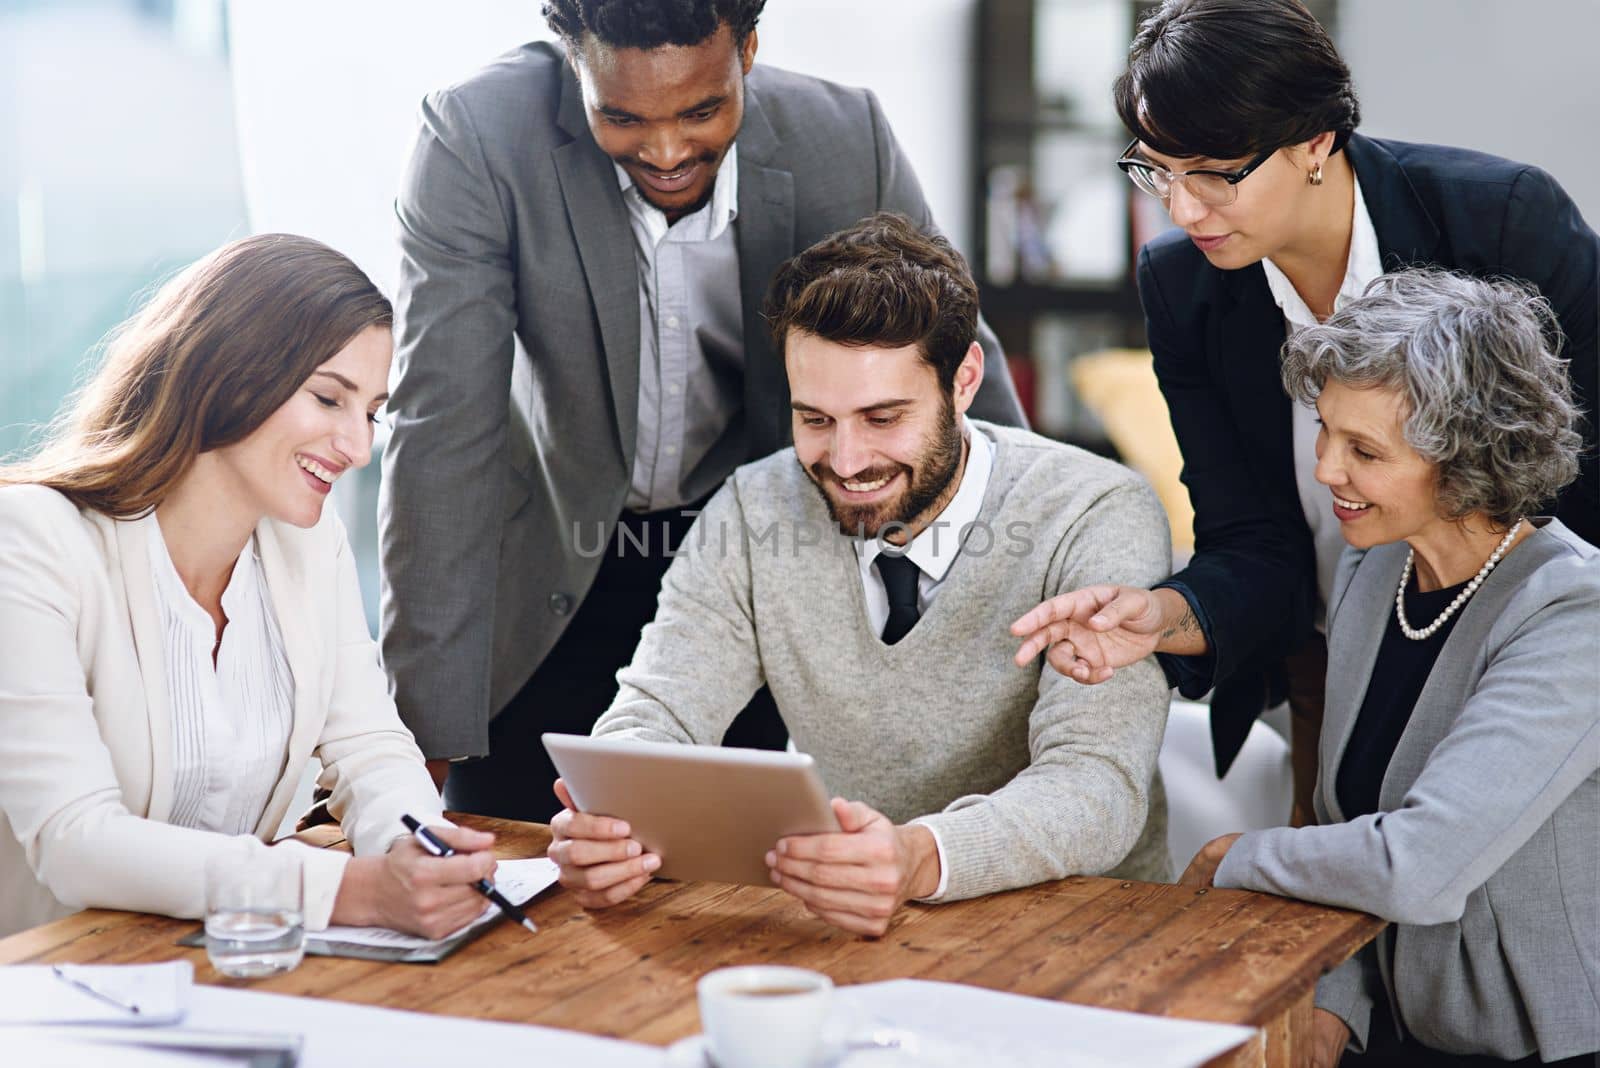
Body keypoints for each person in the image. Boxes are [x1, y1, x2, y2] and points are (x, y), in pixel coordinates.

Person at [380, 0, 1025, 822]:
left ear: (747, 50)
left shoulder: (844, 138)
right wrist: (418, 731)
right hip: (545, 563)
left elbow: (954, 360)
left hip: (747, 564)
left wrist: (1036, 570)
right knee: (519, 866)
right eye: (620, 116)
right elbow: (441, 428)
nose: (666, 150)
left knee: (724, 872)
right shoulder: (476, 134)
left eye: (701, 110)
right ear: (570, 60)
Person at [1011, 0, 1598, 824]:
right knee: (1323, 918)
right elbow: (1251, 539)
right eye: (1156, 170)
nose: (1183, 210)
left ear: (1315, 139)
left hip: (1530, 657)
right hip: (1334, 666)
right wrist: (1165, 615)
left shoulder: (1499, 221)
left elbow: (1581, 479)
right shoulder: (1184, 286)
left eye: (1216, 172)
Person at [545, 213, 1170, 936]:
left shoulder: (1094, 510)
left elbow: (1096, 786)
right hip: (841, 930)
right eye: (814, 419)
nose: (844, 463)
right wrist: (613, 812)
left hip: (1084, 937)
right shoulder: (756, 506)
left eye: (882, 418)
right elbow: (660, 708)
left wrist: (916, 856)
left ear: (964, 380)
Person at [0, 235, 499, 940]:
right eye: (329, 398)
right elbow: (76, 841)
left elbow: (369, 745)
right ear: (228, 372)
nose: (358, 448)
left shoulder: (304, 544)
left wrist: (416, 848)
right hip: (52, 991)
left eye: (371, 412)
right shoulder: (29, 542)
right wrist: (349, 890)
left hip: (228, 968)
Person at [1173, 270, 1599, 1067]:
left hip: (1544, 1047)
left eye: (1365, 450)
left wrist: (1233, 856)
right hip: (1402, 1034)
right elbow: (1342, 830)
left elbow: (1416, 864)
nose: (1327, 470)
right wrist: (1337, 1005)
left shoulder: (1575, 614)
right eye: (1324, 431)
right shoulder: (1374, 573)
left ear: (1467, 458)